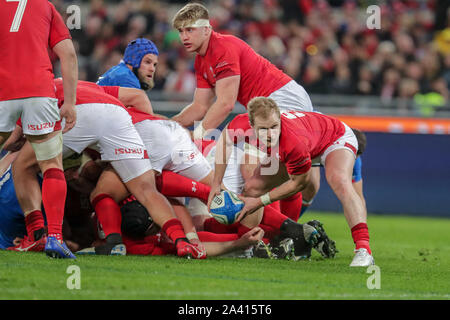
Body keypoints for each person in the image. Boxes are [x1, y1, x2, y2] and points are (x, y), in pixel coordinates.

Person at [10, 79, 205, 259]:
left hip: (78, 113)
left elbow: (12, 139)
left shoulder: (32, 90)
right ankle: (182, 241)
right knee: (146, 189)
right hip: (117, 114)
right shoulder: (89, 85)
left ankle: (36, 234)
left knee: (22, 165)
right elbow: (136, 96)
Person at [170, 2, 314, 230]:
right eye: (181, 31)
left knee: (253, 171)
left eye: (190, 29)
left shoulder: (222, 48)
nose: (184, 36)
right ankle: (288, 232)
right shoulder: (201, 60)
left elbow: (225, 104)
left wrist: (196, 136)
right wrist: (170, 126)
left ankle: (284, 233)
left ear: (207, 29)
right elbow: (199, 107)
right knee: (267, 172)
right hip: (271, 105)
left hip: (282, 101)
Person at [209, 97, 374, 267]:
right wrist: (216, 184)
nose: (270, 134)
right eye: (263, 129)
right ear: (251, 126)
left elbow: (299, 183)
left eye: (274, 126)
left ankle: (363, 250)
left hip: (334, 138)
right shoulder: (240, 124)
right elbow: (224, 141)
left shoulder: (293, 142)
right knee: (253, 187)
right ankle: (246, 248)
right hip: (306, 139)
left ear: (279, 119)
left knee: (339, 181)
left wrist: (259, 202)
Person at [0, 0, 78, 259]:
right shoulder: (45, 6)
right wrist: (69, 102)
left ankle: (36, 233)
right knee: (51, 164)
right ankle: (54, 237)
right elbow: (68, 54)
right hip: (39, 92)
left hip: (3, 92)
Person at [300, 129, 368, 217]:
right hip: (305, 149)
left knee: (311, 188)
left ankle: (288, 224)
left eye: (354, 157)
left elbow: (358, 197)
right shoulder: (319, 141)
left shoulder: (354, 161)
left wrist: (362, 227)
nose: (350, 159)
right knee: (300, 183)